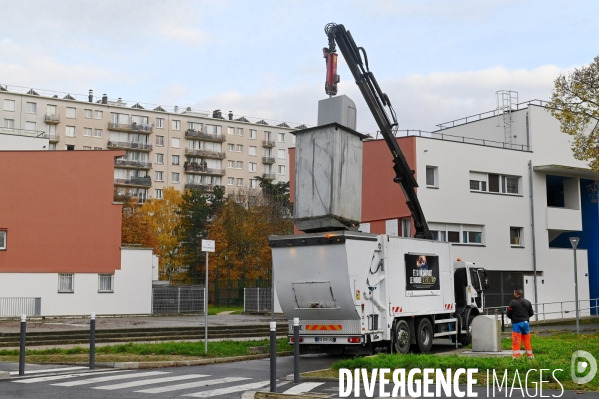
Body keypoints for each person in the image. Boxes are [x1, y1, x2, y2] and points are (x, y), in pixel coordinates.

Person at [506, 289, 534, 359]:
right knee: (527, 340)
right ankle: (530, 356)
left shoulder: (513, 302)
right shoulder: (528, 302)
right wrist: (525, 318)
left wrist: (515, 318)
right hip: (526, 323)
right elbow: (531, 313)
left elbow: (508, 314)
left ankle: (516, 357)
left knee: (516, 340)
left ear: (516, 294)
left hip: (517, 324)